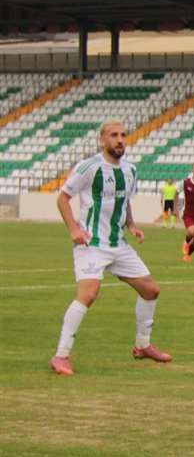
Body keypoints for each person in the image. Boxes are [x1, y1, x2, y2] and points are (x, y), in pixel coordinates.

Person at [50, 120, 170, 375]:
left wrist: (132, 224)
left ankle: (142, 346)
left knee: (151, 290)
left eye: (123, 135)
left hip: (118, 244)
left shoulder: (130, 170)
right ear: (102, 140)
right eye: (113, 135)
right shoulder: (88, 167)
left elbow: (124, 201)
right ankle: (61, 356)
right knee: (89, 293)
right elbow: (62, 198)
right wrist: (73, 229)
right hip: (91, 243)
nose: (119, 140)